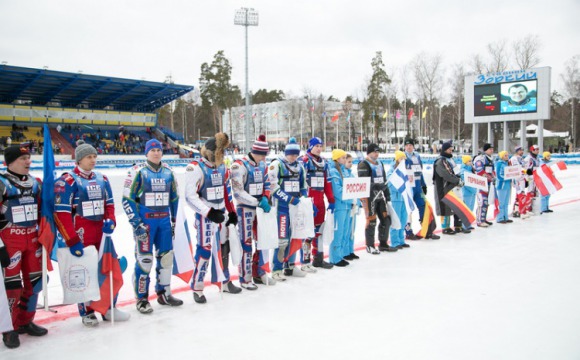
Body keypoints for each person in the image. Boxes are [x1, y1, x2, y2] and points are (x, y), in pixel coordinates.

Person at [54, 142, 129, 326]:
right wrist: (72, 240)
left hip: (101, 234)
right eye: (89, 157)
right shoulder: (68, 180)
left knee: (109, 268)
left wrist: (111, 220)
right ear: (79, 159)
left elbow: (110, 205)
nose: (93, 160)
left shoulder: (102, 178)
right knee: (84, 272)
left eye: (95, 156)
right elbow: (61, 214)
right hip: (81, 233)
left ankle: (108, 307)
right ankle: (86, 312)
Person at [122, 139, 182, 314]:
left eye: (159, 150)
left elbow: (174, 198)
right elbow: (127, 199)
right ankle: (141, 298)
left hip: (164, 220)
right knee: (145, 260)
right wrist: (136, 223)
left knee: (166, 258)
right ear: (146, 152)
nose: (156, 152)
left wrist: (174, 221)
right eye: (152, 150)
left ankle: (164, 293)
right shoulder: (137, 172)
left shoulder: (169, 172)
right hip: (146, 222)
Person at [0, 146, 47, 349]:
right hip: (10, 240)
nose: (28, 161)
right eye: (22, 158)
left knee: (35, 283)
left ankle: (25, 321)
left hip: (33, 238)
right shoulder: (1, 183)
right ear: (9, 162)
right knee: (11, 288)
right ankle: (8, 328)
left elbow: (45, 210)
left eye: (29, 157)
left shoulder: (36, 183)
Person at [184, 133, 238, 304]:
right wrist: (208, 212)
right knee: (205, 250)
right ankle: (198, 286)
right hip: (206, 215)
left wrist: (232, 212)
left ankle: (224, 279)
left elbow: (225, 191)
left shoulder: (222, 168)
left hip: (221, 212)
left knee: (224, 247)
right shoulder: (195, 168)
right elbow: (190, 196)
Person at [229, 135, 273, 288]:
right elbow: (237, 191)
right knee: (246, 243)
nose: (264, 158)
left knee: (262, 241)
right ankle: (245, 278)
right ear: (257, 152)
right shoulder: (239, 165)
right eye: (263, 155)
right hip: (245, 209)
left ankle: (259, 272)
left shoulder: (263, 165)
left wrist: (266, 198)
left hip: (261, 209)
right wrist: (257, 201)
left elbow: (267, 183)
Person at [267, 138, 309, 281]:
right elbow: (273, 188)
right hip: (282, 208)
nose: (293, 157)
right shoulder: (277, 164)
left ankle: (290, 265)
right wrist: (289, 199)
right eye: (291, 154)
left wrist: (304, 198)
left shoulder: (300, 166)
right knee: (282, 239)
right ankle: (277, 269)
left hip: (296, 207)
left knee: (296, 236)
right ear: (286, 153)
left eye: (296, 154)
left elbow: (303, 186)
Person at [299, 137, 335, 270]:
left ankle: (318, 258)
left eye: (321, 146)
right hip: (309, 201)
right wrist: (306, 201)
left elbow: (327, 183)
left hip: (320, 201)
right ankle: (305, 260)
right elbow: (300, 182)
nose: (319, 148)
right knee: (308, 231)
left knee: (319, 231)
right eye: (317, 146)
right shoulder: (305, 161)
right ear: (311, 146)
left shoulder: (324, 163)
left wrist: (331, 200)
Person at [357, 143, 393, 254]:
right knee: (371, 220)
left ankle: (383, 243)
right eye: (374, 151)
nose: (377, 154)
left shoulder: (380, 163)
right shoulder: (364, 164)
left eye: (378, 151)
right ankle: (370, 245)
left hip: (380, 195)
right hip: (369, 196)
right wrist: (377, 186)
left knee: (385, 219)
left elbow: (384, 180)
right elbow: (363, 181)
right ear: (369, 152)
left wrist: (387, 194)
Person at [402, 139, 435, 240]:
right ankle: (408, 231)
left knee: (423, 206)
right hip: (408, 187)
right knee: (408, 209)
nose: (409, 147)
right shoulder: (402, 157)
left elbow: (420, 172)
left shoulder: (417, 156)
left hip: (417, 186)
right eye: (407, 145)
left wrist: (423, 185)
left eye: (410, 145)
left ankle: (426, 230)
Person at [328, 149, 353, 266]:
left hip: (347, 205)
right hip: (340, 206)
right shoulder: (334, 172)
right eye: (343, 157)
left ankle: (341, 254)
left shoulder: (345, 171)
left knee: (344, 231)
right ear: (337, 159)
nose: (345, 159)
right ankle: (335, 258)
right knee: (337, 232)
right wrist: (351, 197)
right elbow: (338, 191)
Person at [433, 142, 465, 235]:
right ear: (444, 149)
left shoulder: (450, 159)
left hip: (453, 187)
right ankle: (445, 227)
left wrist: (459, 179)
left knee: (456, 206)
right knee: (445, 207)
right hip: (444, 187)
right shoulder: (440, 161)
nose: (451, 151)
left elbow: (456, 171)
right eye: (449, 149)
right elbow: (445, 175)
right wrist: (456, 181)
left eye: (452, 149)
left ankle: (458, 226)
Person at [387, 151, 411, 249]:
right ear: (397, 159)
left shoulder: (405, 170)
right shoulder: (391, 170)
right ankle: (395, 241)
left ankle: (401, 240)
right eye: (401, 158)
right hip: (396, 198)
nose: (403, 161)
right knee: (395, 220)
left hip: (404, 198)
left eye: (404, 159)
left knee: (403, 219)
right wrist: (399, 187)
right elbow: (389, 184)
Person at [342, 154, 360, 261]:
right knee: (345, 229)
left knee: (352, 229)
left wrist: (358, 202)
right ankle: (344, 252)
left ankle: (350, 250)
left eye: (351, 162)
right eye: (349, 161)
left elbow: (356, 189)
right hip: (347, 205)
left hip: (353, 205)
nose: (351, 164)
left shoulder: (352, 174)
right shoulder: (343, 174)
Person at [473, 143, 495, 227]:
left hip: (488, 183)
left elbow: (492, 170)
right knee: (482, 202)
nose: (492, 150)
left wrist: (493, 176)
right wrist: (489, 177)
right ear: (486, 150)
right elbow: (479, 171)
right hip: (481, 183)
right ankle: (479, 220)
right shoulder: (480, 158)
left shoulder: (490, 159)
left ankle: (483, 218)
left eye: (492, 149)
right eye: (490, 149)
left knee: (486, 202)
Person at [509, 146, 529, 219]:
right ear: (517, 151)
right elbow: (517, 169)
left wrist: (526, 178)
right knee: (522, 194)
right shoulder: (514, 159)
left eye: (522, 150)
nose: (522, 151)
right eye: (520, 150)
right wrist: (526, 171)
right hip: (517, 179)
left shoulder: (521, 158)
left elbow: (524, 168)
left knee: (518, 195)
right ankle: (522, 212)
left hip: (522, 178)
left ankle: (515, 211)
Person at [495, 151, 513, 224]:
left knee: (506, 202)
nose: (507, 156)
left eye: (507, 155)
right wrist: (506, 177)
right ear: (502, 156)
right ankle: (500, 217)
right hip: (502, 185)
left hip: (508, 184)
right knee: (501, 202)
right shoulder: (499, 163)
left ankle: (506, 216)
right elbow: (498, 175)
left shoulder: (507, 163)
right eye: (505, 155)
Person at [460, 155, 476, 231]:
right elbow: (466, 183)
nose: (471, 162)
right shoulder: (463, 171)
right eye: (469, 161)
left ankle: (468, 224)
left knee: (470, 209)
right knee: (466, 210)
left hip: (473, 192)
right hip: (467, 193)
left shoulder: (471, 170)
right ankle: (464, 225)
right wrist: (473, 190)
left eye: (471, 161)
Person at [523, 145, 541, 215]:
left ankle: (533, 208)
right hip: (530, 177)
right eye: (535, 149)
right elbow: (525, 168)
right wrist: (526, 179)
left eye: (538, 149)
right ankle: (527, 208)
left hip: (536, 176)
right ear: (532, 150)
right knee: (530, 192)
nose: (537, 151)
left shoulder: (537, 158)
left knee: (535, 193)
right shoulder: (528, 158)